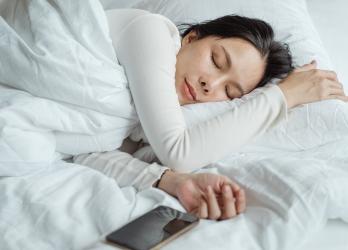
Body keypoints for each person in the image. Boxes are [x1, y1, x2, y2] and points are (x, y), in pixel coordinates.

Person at [73, 9, 347, 221]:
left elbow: (83, 153)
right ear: (191, 37)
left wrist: (172, 181)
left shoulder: (136, 119)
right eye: (217, 61)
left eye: (229, 91)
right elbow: (178, 153)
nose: (210, 85)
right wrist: (283, 96)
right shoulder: (150, 31)